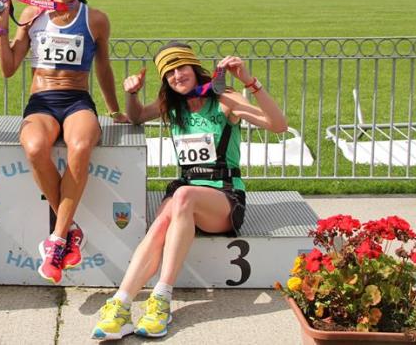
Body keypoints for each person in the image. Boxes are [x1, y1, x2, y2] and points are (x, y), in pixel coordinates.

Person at [91, 42, 287, 340]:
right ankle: (120, 304)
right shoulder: (173, 104)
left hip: (224, 197)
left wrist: (250, 81)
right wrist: (131, 94)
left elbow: (278, 125)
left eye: (181, 68)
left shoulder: (224, 98)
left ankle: (161, 299)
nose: (176, 76)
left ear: (194, 68)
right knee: (161, 224)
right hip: (187, 196)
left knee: (181, 196)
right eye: (168, 73)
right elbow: (137, 117)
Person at [0, 0, 127, 285]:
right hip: (42, 102)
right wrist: (1, 27)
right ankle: (70, 231)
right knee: (35, 147)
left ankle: (57, 239)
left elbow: (105, 69)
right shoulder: (31, 15)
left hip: (78, 99)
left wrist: (113, 109)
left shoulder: (95, 19)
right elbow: (8, 69)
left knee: (80, 145)